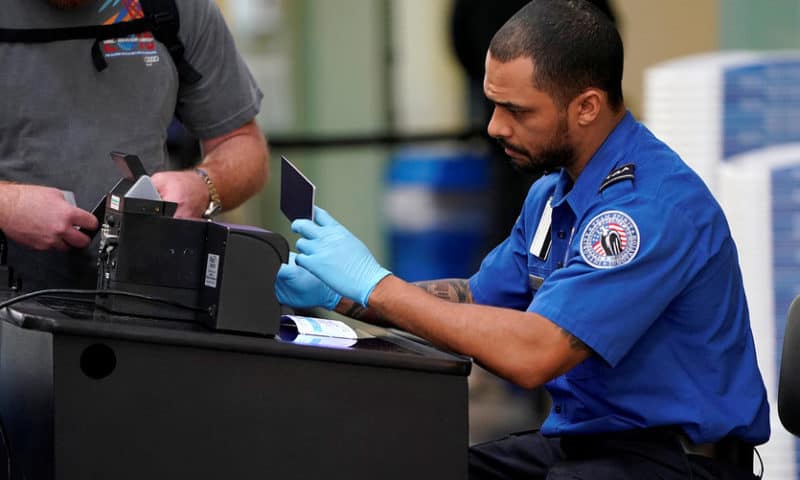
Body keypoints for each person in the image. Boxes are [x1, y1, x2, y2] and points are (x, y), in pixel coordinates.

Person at [275, 0, 770, 478]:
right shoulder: (552, 195)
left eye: (517, 111)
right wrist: (340, 294)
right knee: (413, 464)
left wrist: (377, 284)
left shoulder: (647, 210)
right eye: (492, 105)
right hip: (588, 448)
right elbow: (472, 301)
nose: (495, 126)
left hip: (677, 461)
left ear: (587, 107)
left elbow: (535, 354)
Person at [0, 0, 268, 290]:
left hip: (140, 287)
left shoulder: (177, 8)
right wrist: (7, 205)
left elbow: (243, 145)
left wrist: (203, 186)